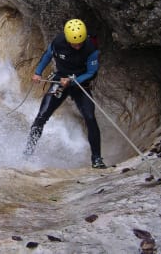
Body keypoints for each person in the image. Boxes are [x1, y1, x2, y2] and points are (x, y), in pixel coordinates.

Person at [23, 19, 107, 169]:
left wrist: (72, 81)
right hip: (59, 80)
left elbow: (91, 72)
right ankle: (27, 154)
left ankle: (96, 158)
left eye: (80, 43)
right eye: (75, 44)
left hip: (80, 84)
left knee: (90, 117)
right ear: (68, 40)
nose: (78, 46)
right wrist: (37, 72)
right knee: (41, 116)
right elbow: (47, 56)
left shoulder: (90, 47)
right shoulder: (59, 42)